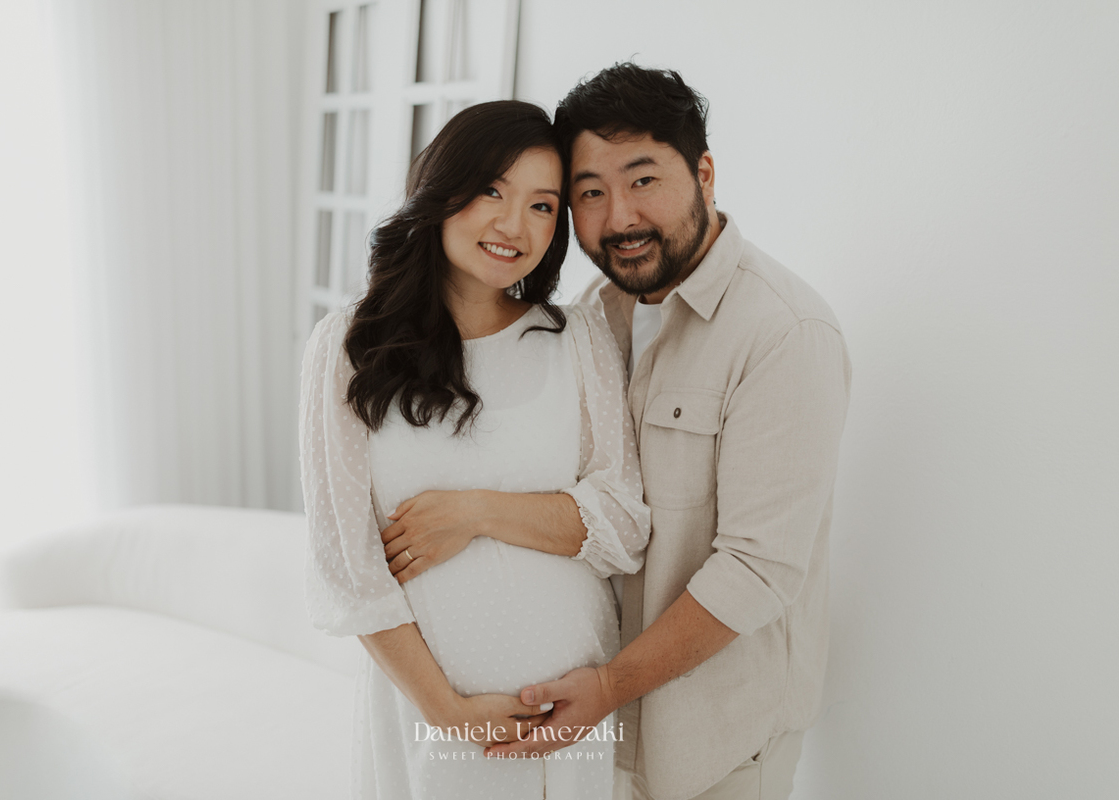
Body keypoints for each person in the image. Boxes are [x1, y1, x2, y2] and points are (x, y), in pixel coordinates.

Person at [481, 64, 853, 800]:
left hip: (715, 745)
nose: (619, 216)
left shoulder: (784, 333)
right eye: (590, 192)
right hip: (593, 728)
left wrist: (610, 685)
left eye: (643, 179)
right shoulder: (594, 311)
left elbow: (757, 571)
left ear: (705, 173)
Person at [298, 100, 651, 800]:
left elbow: (623, 525)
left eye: (543, 206)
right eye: (493, 190)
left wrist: (478, 513)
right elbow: (348, 568)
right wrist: (446, 711)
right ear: (442, 188)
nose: (514, 225)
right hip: (435, 717)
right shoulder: (348, 349)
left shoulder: (575, 337)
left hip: (571, 711)